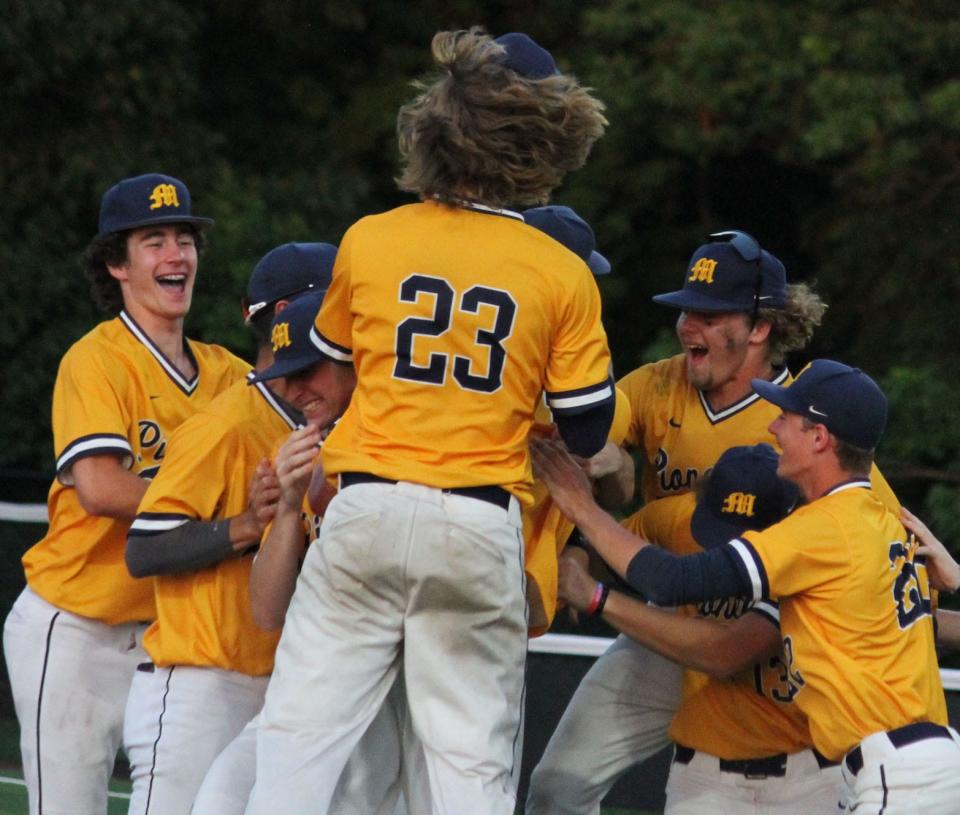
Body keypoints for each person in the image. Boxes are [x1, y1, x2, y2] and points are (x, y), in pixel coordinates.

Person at [247, 28, 613, 815]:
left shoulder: (372, 237)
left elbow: (331, 359)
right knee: (467, 770)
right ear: (547, 141)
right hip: (478, 520)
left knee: (295, 743)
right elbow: (587, 429)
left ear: (436, 126)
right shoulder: (561, 270)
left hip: (367, 503)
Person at [533, 360, 960, 814]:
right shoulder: (880, 522)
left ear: (820, 438)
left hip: (894, 772)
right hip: (917, 761)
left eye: (787, 418)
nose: (772, 426)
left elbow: (673, 581)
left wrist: (582, 508)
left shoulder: (825, 528)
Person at [526, 228, 835, 814]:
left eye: (709, 313)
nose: (688, 325)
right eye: (686, 309)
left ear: (760, 326)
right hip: (670, 624)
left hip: (771, 640)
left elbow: (868, 524)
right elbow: (579, 457)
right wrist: (605, 474)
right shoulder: (656, 385)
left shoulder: (805, 417)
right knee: (557, 785)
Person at [2, 173, 249, 815]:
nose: (177, 254)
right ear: (117, 263)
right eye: (154, 240)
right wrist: (222, 508)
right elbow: (101, 486)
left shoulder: (227, 372)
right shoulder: (98, 359)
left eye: (185, 238)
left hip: (168, 638)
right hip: (76, 624)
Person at [120, 245, 338, 814]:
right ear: (295, 312)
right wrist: (245, 525)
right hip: (203, 683)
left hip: (281, 684)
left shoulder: (332, 426)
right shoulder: (225, 425)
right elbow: (143, 549)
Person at [189, 295, 408, 815]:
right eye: (284, 374)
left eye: (308, 369)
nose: (292, 389)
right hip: (310, 687)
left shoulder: (405, 442)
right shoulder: (308, 447)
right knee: (217, 801)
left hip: (394, 697)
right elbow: (267, 611)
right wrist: (287, 508)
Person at [559, 444, 844, 813]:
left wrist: (598, 599)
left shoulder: (809, 553)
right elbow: (603, 553)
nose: (732, 544)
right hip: (705, 777)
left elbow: (723, 652)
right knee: (559, 782)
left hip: (809, 778)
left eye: (747, 533)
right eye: (721, 528)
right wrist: (576, 560)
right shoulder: (679, 519)